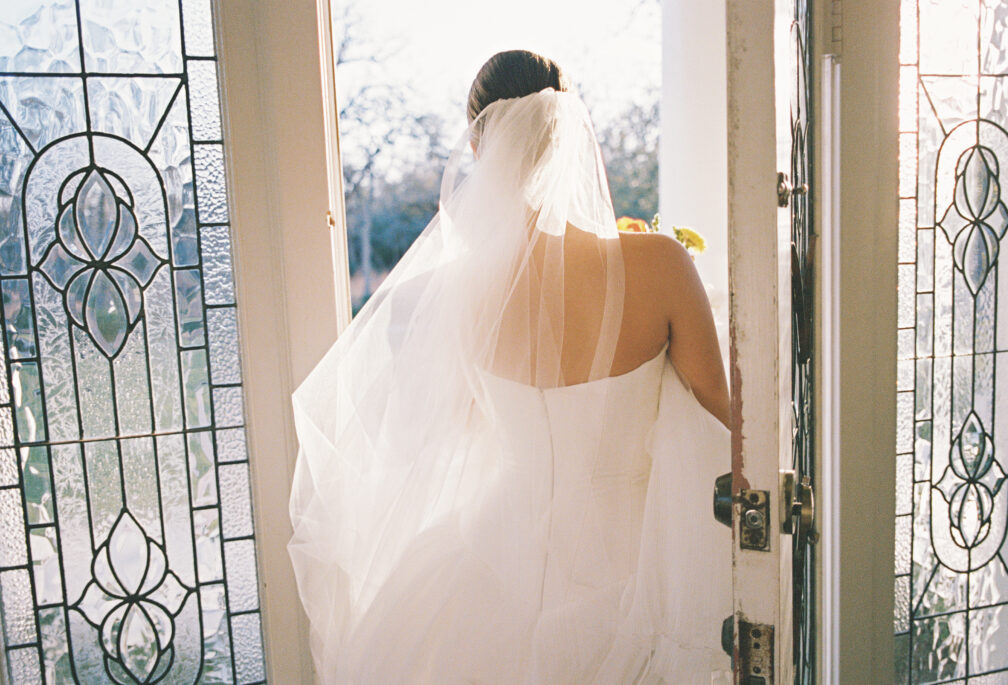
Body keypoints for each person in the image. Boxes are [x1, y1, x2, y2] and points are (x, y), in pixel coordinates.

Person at [289, 50, 732, 684]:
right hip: (648, 561)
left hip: (500, 555)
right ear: (570, 132)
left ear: (477, 146)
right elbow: (721, 411)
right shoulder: (660, 264)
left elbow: (459, 430)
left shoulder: (456, 296)